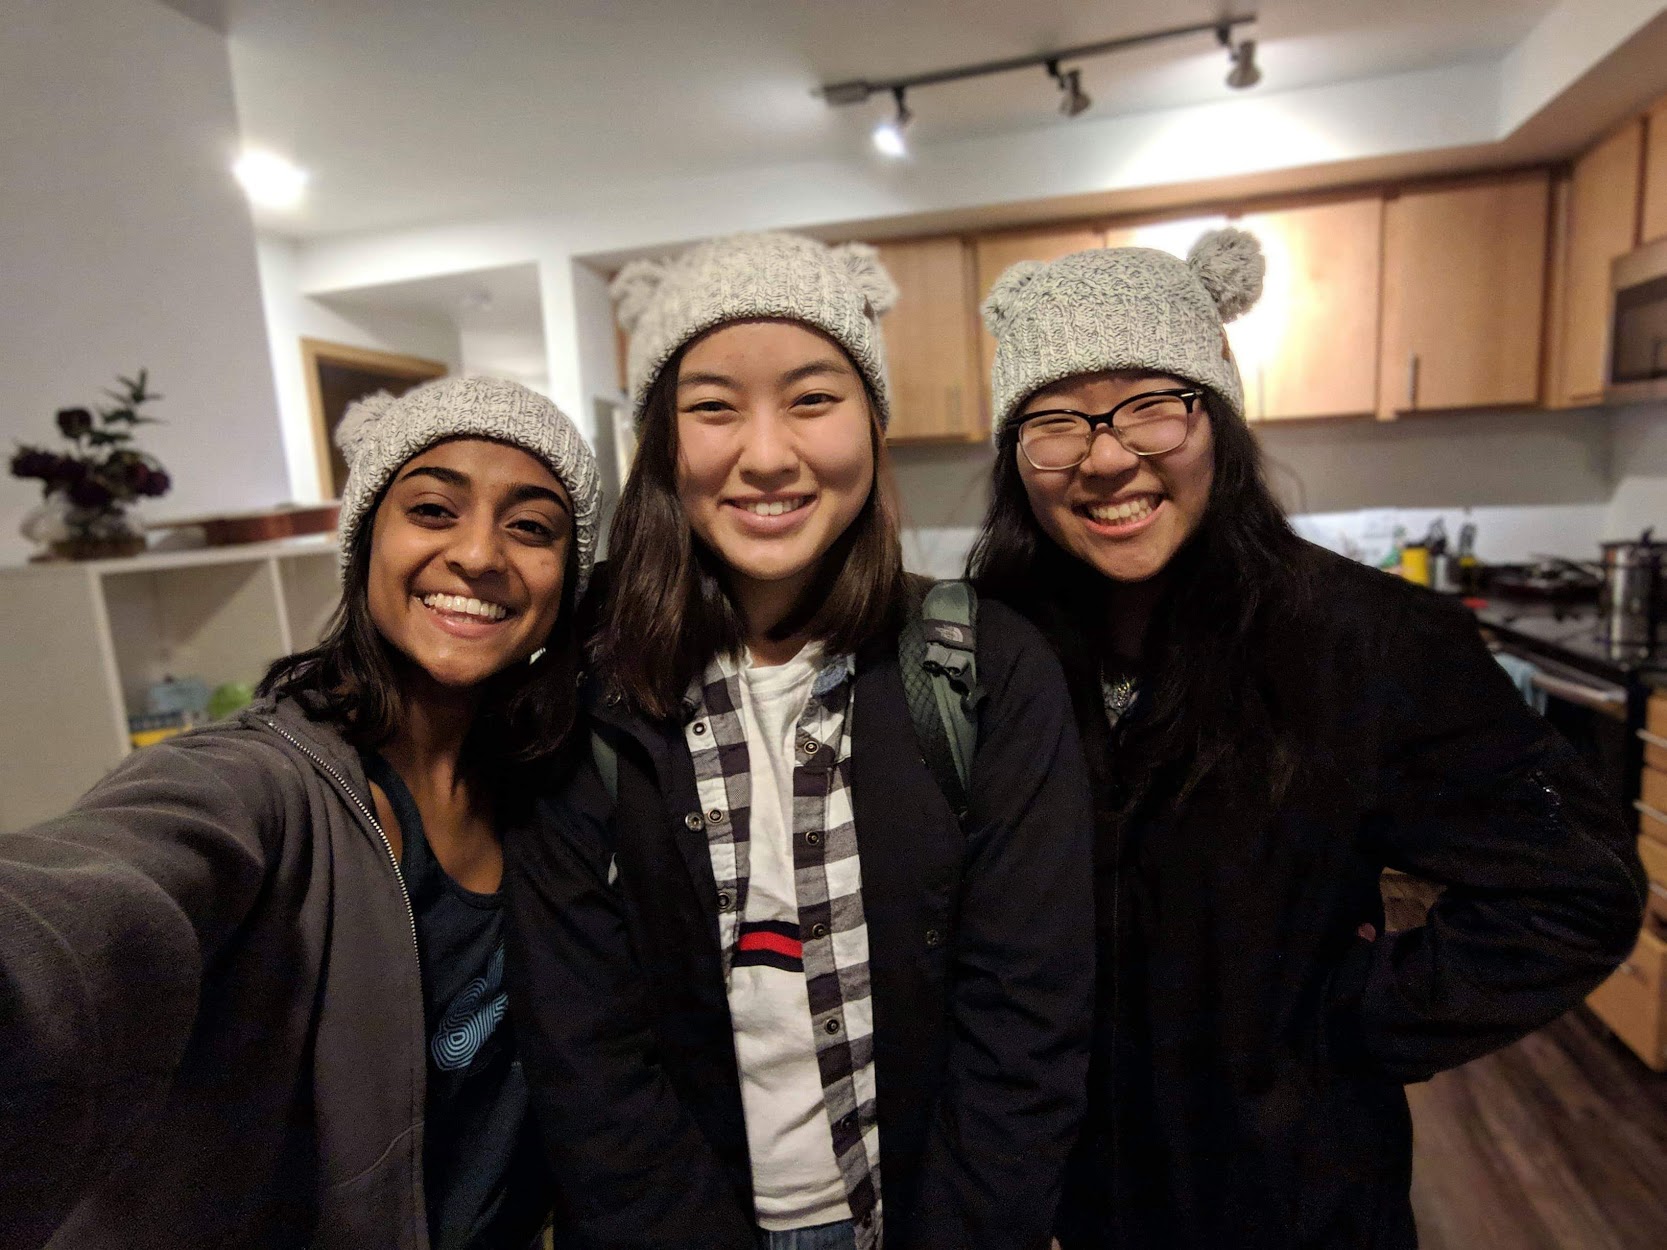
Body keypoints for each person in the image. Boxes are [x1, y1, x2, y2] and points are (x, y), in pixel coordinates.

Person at [967, 230, 1646, 1250]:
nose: (1107, 456)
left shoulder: (1361, 640)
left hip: (1285, 1198)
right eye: (1054, 421)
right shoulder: (980, 650)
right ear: (1016, 458)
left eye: (1153, 401)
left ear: (1219, 418)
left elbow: (1575, 886)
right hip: (1054, 1199)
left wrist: (1345, 1024)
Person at [504, 231, 1094, 1250]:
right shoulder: (581, 688)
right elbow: (583, 1049)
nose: (766, 453)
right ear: (660, 440)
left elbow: (1025, 1018)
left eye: (813, 398)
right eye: (713, 406)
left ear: (872, 422)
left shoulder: (982, 666)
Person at [0, 375, 600, 1250]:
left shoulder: (547, 787)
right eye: (433, 510)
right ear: (364, 545)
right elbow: (103, 893)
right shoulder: (262, 786)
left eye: (532, 526)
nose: (479, 555)